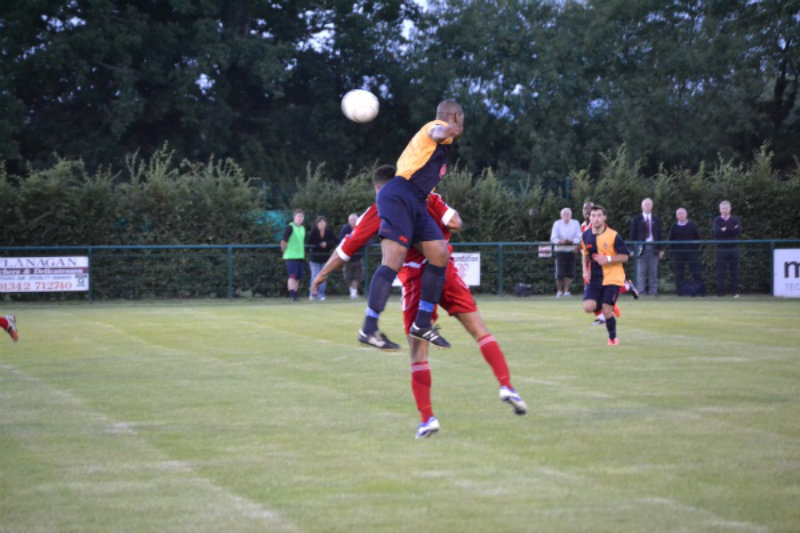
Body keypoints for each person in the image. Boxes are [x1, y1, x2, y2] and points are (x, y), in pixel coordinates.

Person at [311, 165, 526, 438]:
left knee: (418, 354)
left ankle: (428, 418)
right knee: (479, 330)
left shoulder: (379, 209)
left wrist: (321, 276)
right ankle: (506, 385)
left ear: (378, 189)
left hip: (415, 281)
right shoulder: (426, 197)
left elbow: (346, 249)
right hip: (444, 272)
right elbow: (455, 222)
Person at [359, 100, 464, 350]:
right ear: (455, 116)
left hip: (416, 201)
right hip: (399, 193)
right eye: (460, 118)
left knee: (439, 254)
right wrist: (449, 129)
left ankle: (422, 323)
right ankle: (369, 328)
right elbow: (436, 132)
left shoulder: (436, 151)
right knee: (393, 260)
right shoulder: (437, 127)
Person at [581, 201, 638, 326]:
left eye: (589, 208)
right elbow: (584, 250)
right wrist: (585, 270)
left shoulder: (600, 225)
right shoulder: (583, 227)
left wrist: (607, 259)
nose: (587, 210)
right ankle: (626, 287)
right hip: (593, 261)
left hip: (604, 264)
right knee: (592, 286)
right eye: (585, 208)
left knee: (599, 287)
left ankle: (603, 316)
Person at [629, 197, 664, 296]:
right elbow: (632, 235)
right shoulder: (637, 219)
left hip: (654, 248)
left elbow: (660, 235)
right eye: (645, 205)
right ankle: (641, 291)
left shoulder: (656, 220)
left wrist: (661, 249)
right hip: (640, 248)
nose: (647, 207)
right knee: (641, 271)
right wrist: (632, 249)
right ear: (642, 207)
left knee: (653, 271)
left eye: (649, 205)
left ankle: (653, 292)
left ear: (652, 206)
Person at [668, 207, 706, 296]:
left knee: (696, 272)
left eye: (682, 213)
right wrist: (675, 250)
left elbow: (697, 238)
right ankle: (680, 292)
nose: (681, 215)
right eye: (679, 214)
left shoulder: (692, 226)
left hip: (691, 253)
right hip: (678, 254)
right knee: (679, 273)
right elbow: (670, 240)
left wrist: (693, 249)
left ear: (686, 215)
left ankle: (700, 292)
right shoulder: (674, 227)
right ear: (676, 216)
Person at [712, 200, 742, 297]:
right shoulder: (717, 220)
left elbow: (738, 231)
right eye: (723, 208)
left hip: (733, 249)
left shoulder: (735, 219)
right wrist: (731, 229)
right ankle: (721, 293)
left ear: (730, 209)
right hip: (721, 249)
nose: (724, 210)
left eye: (726, 208)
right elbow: (717, 232)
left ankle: (735, 292)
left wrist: (725, 229)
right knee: (721, 271)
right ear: (720, 210)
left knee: (734, 271)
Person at [550, 207, 582, 297]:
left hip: (571, 250)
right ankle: (559, 292)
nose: (566, 216)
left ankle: (566, 291)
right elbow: (553, 238)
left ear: (571, 215)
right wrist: (561, 241)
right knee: (559, 273)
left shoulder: (575, 223)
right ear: (561, 215)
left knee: (569, 272)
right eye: (564, 214)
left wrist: (572, 241)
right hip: (560, 251)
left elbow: (579, 236)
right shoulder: (557, 223)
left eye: (568, 214)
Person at [306, 215, 337, 301]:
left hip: (325, 259)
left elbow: (335, 241)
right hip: (314, 259)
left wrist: (327, 244)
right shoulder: (313, 231)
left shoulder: (329, 232)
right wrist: (319, 244)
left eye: (323, 222)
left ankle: (321, 294)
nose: (322, 224)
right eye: (320, 222)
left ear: (326, 223)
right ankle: (312, 293)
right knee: (314, 276)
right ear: (317, 223)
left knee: (324, 277)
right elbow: (308, 243)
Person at [280, 209, 306, 302]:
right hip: (291, 256)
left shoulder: (302, 228)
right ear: (294, 217)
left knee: (298, 277)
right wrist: (284, 252)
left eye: (302, 216)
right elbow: (283, 241)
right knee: (292, 276)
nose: (300, 218)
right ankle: (292, 295)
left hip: (300, 256)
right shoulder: (290, 227)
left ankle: (295, 294)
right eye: (298, 216)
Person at [339, 213, 363, 299]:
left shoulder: (361, 228)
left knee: (357, 275)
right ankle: (351, 290)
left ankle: (354, 292)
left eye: (355, 219)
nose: (353, 221)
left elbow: (366, 239)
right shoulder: (345, 229)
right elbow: (341, 241)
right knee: (348, 276)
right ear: (349, 221)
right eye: (351, 220)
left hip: (358, 256)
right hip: (348, 257)